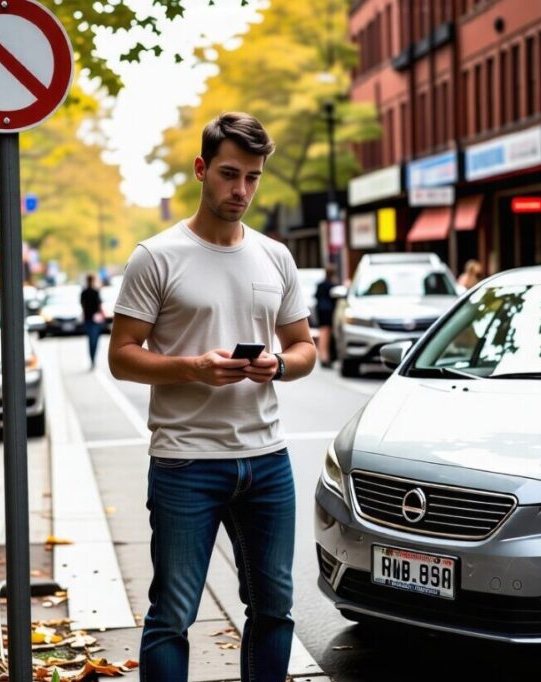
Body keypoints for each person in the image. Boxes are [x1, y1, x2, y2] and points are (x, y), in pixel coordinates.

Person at [108, 112, 316, 681]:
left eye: (252, 177)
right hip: (185, 462)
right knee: (173, 615)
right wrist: (194, 368)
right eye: (229, 174)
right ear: (201, 169)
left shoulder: (276, 256)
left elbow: (304, 348)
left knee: (274, 607)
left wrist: (276, 365)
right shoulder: (157, 255)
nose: (241, 190)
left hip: (267, 462)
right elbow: (122, 355)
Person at [314, 265, 337, 368]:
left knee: (322, 332)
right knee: (326, 333)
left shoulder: (320, 285)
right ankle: (324, 357)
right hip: (328, 312)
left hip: (320, 310)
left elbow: (316, 296)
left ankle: (322, 355)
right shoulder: (331, 286)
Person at [80, 273, 103, 369]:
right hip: (90, 319)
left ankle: (93, 359)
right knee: (93, 340)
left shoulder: (93, 291)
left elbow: (82, 304)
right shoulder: (87, 292)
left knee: (93, 340)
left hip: (92, 319)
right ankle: (92, 359)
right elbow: (99, 305)